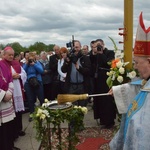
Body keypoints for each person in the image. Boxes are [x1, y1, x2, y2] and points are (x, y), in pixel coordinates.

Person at [109, 12, 150, 150]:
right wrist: (117, 90)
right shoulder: (146, 81)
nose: (136, 67)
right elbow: (141, 87)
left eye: (137, 62)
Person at [2, 46, 27, 139]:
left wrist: (19, 75)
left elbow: (24, 74)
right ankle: (12, 134)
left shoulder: (16, 63)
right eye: (9, 55)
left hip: (17, 90)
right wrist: (11, 77)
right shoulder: (2, 64)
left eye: (12, 55)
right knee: (11, 114)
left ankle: (19, 129)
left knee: (18, 112)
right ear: (4, 55)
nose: (11, 57)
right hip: (8, 92)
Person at [91, 39, 116, 128]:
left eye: (99, 45)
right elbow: (91, 63)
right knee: (100, 100)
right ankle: (102, 120)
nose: (98, 47)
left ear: (103, 44)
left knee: (107, 101)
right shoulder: (96, 54)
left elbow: (108, 63)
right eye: (96, 45)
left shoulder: (109, 52)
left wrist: (101, 53)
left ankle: (109, 121)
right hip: (98, 81)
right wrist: (94, 53)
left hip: (106, 80)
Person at [61, 40, 91, 107]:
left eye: (77, 47)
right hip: (71, 86)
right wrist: (67, 62)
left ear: (80, 47)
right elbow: (63, 70)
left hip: (82, 86)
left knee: (82, 107)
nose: (76, 49)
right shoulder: (69, 58)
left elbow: (88, 71)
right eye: (74, 47)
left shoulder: (85, 58)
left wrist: (79, 68)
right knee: (71, 106)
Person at [0, 60, 20, 150]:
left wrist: (9, 92)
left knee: (8, 127)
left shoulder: (2, 65)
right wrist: (3, 95)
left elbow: (10, 79)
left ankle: (9, 146)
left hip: (7, 101)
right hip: (1, 100)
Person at [23, 52, 44, 121]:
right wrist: (26, 64)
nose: (31, 60)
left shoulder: (37, 63)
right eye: (29, 59)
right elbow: (23, 71)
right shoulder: (26, 64)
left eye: (32, 59)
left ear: (34, 58)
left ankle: (43, 113)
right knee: (30, 99)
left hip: (38, 82)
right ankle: (32, 113)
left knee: (41, 98)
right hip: (28, 83)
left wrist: (34, 64)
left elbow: (41, 71)